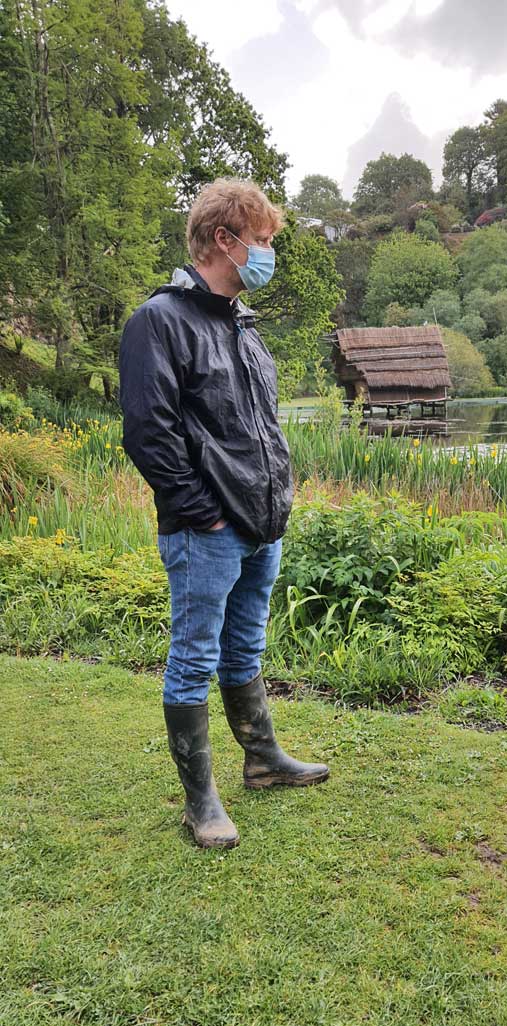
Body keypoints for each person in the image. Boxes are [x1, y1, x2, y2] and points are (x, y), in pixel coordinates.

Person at [119, 177, 329, 850]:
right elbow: (149, 432)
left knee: (244, 648)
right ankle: (200, 802)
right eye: (263, 240)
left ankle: (263, 760)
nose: (268, 253)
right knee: (192, 658)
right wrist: (200, 512)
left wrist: (272, 505)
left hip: (259, 525)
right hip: (204, 531)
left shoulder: (241, 325)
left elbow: (257, 427)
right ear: (224, 239)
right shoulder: (160, 322)